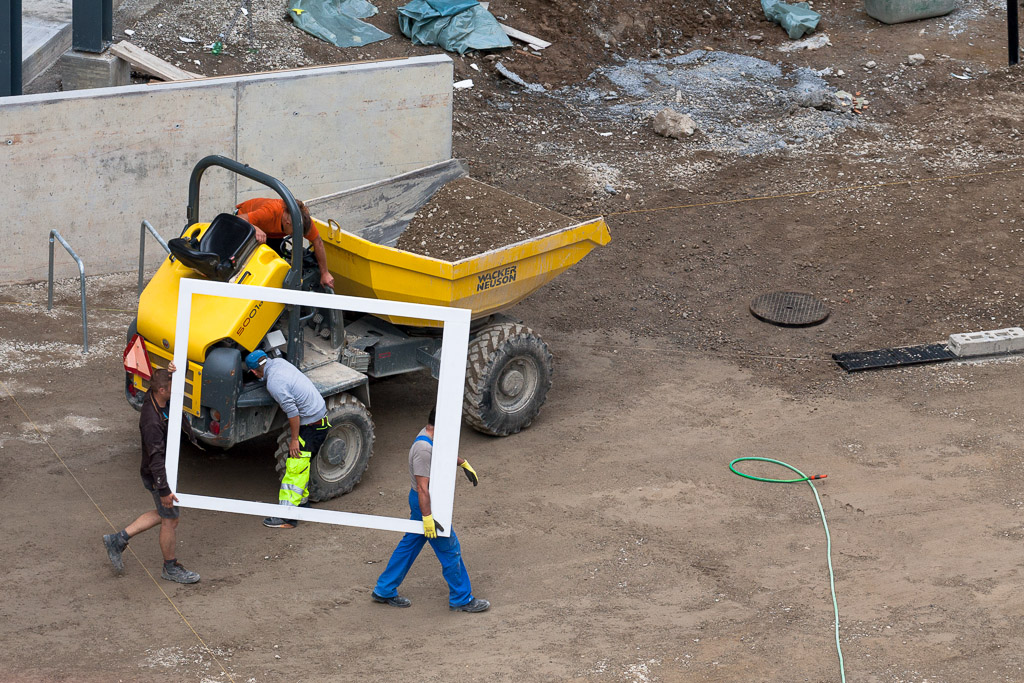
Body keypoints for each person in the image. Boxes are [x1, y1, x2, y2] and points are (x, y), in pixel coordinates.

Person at [371, 407, 489, 613]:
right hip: (427, 504)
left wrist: (462, 463)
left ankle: (384, 589)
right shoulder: (422, 450)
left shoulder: (430, 434)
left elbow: (441, 451)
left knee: (410, 545)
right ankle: (461, 598)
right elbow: (423, 487)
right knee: (450, 549)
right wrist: (428, 517)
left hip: (424, 502)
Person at [102, 364, 200, 584]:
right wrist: (163, 489)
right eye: (173, 388)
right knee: (170, 519)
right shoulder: (152, 421)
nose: (178, 392)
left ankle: (117, 540)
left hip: (161, 471)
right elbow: (156, 458)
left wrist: (174, 369)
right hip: (158, 474)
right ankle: (170, 567)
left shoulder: (155, 396)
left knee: (164, 514)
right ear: (163, 390)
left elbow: (164, 380)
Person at [245, 349, 331, 529]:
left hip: (311, 427)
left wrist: (294, 440)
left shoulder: (275, 383)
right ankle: (302, 504)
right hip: (320, 419)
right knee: (302, 468)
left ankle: (288, 518)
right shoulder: (279, 363)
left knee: (294, 469)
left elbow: (293, 413)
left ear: (253, 372)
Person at [236, 197, 335, 290]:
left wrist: (325, 273)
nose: (293, 236)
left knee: (276, 266)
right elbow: (238, 218)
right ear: (288, 223)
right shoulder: (270, 211)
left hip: (271, 233)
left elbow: (318, 242)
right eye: (293, 233)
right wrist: (254, 229)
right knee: (253, 266)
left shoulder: (302, 219)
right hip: (246, 226)